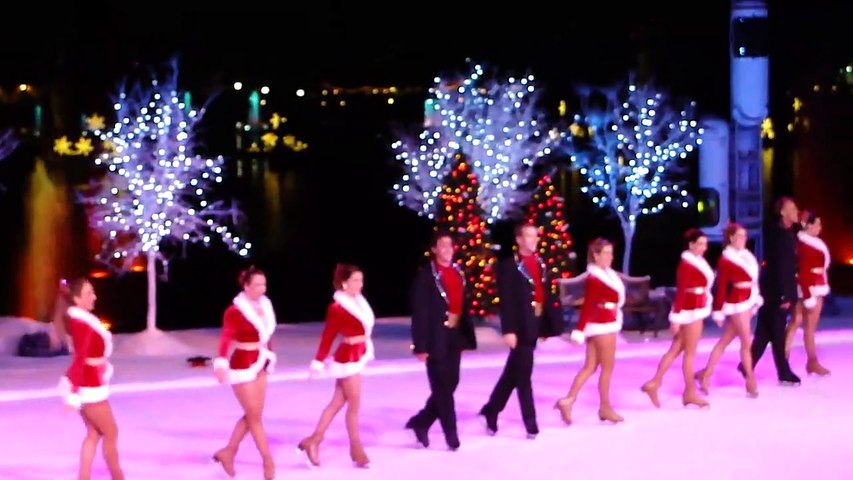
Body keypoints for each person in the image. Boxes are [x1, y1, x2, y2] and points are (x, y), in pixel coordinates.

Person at [479, 223, 564, 438]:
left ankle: (491, 410)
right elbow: (507, 301)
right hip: (519, 326)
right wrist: (508, 329)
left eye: (535, 236)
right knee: (524, 376)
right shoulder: (509, 266)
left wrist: (545, 326)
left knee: (513, 373)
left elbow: (543, 295)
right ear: (519, 240)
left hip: (535, 323)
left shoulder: (540, 263)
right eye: (528, 236)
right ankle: (530, 422)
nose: (533, 240)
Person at [298, 263, 374, 468]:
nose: (360, 284)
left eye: (361, 280)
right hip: (348, 358)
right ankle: (356, 450)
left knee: (337, 403)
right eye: (355, 280)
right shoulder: (337, 308)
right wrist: (318, 362)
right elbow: (328, 336)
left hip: (358, 354)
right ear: (344, 283)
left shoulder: (359, 302)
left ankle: (314, 440)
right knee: (354, 405)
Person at [406, 231, 477, 450]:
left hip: (454, 336)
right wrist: (420, 346)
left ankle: (421, 422)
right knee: (442, 388)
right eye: (442, 245)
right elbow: (419, 314)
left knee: (451, 383)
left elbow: (462, 306)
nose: (447, 249)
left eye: (450, 245)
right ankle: (451, 435)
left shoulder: (458, 272)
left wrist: (464, 336)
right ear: (434, 250)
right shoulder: (426, 277)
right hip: (434, 338)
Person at [212, 266, 278, 480]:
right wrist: (220, 363)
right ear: (246, 286)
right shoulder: (235, 311)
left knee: (254, 415)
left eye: (264, 284)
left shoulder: (266, 306)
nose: (262, 289)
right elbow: (226, 337)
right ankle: (268, 461)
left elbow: (266, 336)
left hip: (261, 362)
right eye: (257, 285)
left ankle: (229, 451)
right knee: (254, 417)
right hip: (242, 364)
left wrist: (269, 356)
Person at [56, 277, 125, 480]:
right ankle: (118, 476)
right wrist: (74, 394)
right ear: (77, 299)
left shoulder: (83, 321)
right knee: (111, 432)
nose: (94, 297)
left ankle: (84, 477)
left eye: (93, 292)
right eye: (88, 293)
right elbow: (80, 359)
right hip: (90, 387)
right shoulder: (82, 324)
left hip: (90, 384)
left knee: (94, 433)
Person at [554, 238, 625, 425]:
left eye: (611, 253)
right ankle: (605, 408)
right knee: (607, 369)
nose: (610, 257)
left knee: (590, 367)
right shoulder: (594, 279)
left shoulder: (607, 275)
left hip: (603, 323)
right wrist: (579, 330)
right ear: (596, 255)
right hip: (603, 325)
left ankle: (568, 400)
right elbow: (588, 306)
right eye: (606, 253)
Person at [640, 229, 713, 408]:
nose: (703, 247)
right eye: (700, 244)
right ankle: (689, 393)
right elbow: (681, 292)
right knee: (689, 353)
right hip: (690, 311)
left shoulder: (698, 262)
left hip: (695, 308)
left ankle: (654, 383)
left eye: (705, 244)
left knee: (676, 349)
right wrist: (676, 318)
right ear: (691, 245)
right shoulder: (687, 265)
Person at [694, 224, 761, 397]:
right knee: (746, 341)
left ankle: (705, 374)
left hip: (749, 300)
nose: (744, 239)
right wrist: (718, 311)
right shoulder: (726, 260)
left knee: (725, 341)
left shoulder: (747, 256)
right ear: (731, 238)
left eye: (745, 235)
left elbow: (753, 281)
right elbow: (722, 287)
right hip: (737, 303)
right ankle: (750, 380)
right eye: (740, 235)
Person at [744, 197, 802, 385]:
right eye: (792, 208)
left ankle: (747, 364)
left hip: (773, 291)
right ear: (783, 213)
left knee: (765, 332)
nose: (796, 211)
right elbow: (781, 267)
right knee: (777, 333)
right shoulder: (780, 235)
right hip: (776, 292)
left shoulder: (784, 233)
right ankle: (783, 372)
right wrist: (785, 294)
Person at [784, 210, 831, 375]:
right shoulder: (805, 246)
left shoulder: (809, 243)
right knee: (807, 327)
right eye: (816, 224)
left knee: (796, 322)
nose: (820, 227)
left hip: (812, 286)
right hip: (811, 288)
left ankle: (786, 361)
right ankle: (810, 362)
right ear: (806, 225)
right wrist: (809, 296)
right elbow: (804, 273)